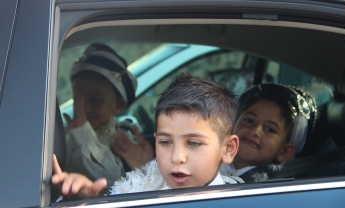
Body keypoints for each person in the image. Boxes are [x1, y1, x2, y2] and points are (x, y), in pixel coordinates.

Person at [52, 72, 243, 199]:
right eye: (165, 142)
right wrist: (87, 200)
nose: (177, 157)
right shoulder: (139, 192)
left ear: (228, 148)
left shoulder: (243, 200)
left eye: (193, 143)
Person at [63, 43, 154, 189]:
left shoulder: (121, 139)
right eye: (78, 100)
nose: (85, 108)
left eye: (95, 101)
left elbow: (112, 179)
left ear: (118, 105)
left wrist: (84, 133)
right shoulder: (66, 135)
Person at [220, 83, 317, 182]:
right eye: (249, 121)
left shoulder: (277, 189)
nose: (255, 131)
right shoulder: (211, 161)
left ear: (285, 152)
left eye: (270, 129)